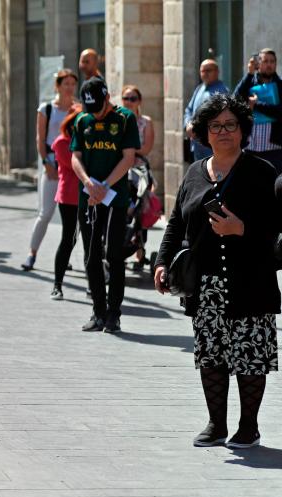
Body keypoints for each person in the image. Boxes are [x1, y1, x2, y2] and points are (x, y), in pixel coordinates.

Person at [155, 93, 280, 449]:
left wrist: (241, 229)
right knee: (211, 353)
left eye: (230, 125)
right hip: (206, 284)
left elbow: (277, 230)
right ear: (203, 133)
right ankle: (216, 424)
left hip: (251, 279)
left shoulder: (262, 173)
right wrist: (162, 262)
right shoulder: (195, 173)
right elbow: (176, 223)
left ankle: (249, 426)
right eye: (215, 126)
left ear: (242, 130)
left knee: (250, 354)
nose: (223, 132)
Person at [70, 77, 139, 333]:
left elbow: (128, 157)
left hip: (115, 197)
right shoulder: (81, 120)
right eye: (91, 109)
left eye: (98, 107)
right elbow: (75, 157)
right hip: (88, 197)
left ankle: (114, 314)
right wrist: (89, 183)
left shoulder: (124, 119)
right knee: (91, 256)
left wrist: (105, 186)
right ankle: (98, 312)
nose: (95, 114)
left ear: (107, 98)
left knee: (113, 254)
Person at [21, 69, 79, 270]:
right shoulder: (46, 109)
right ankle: (32, 253)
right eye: (66, 84)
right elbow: (41, 137)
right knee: (45, 213)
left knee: (72, 221)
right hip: (53, 166)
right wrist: (46, 163)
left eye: (73, 83)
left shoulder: (78, 109)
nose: (70, 88)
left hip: (73, 169)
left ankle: (65, 256)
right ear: (58, 86)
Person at [49, 105, 84, 300]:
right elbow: (73, 165)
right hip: (69, 197)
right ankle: (57, 284)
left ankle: (92, 287)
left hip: (88, 196)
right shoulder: (62, 142)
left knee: (90, 242)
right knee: (68, 239)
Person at [233, 48, 282, 172]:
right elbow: (235, 101)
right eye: (265, 61)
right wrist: (249, 74)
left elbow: (280, 112)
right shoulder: (249, 83)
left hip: (274, 150)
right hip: (250, 147)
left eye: (272, 61)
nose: (269, 65)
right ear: (258, 64)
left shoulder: (280, 86)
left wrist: (257, 105)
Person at [185, 60, 229, 162]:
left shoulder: (222, 91)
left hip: (212, 146)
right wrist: (188, 124)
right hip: (196, 146)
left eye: (208, 70)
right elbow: (189, 110)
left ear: (217, 72)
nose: (205, 74)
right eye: (202, 71)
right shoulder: (199, 89)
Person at [120, 85, 154, 159]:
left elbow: (146, 150)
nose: (129, 102)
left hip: (138, 167)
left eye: (133, 99)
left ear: (139, 101)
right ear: (122, 100)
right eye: (126, 98)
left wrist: (125, 148)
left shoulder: (146, 122)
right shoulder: (115, 120)